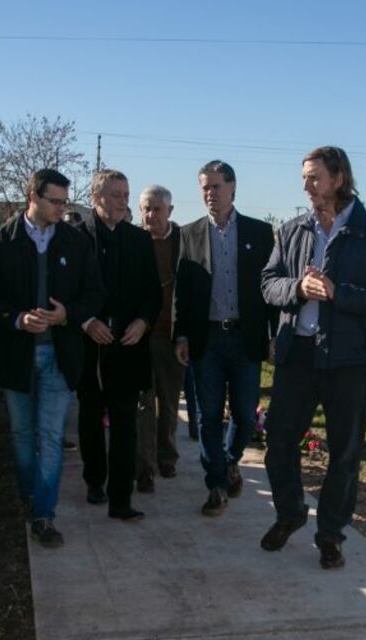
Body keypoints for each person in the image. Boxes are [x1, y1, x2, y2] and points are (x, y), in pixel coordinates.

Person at [260, 146, 366, 569]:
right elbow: (268, 283)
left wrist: (340, 294)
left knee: (343, 453)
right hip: (297, 355)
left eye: (314, 177)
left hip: (348, 360)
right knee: (279, 444)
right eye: (304, 178)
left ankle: (330, 535)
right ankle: (289, 515)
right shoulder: (292, 231)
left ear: (339, 178)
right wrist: (297, 290)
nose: (306, 186)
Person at [0, 168, 106, 547]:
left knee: (49, 436)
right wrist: (15, 318)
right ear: (33, 196)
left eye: (65, 201)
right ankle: (29, 494)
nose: (62, 208)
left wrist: (69, 315)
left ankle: (44, 514)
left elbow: (95, 294)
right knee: (22, 434)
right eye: (55, 201)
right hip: (16, 355)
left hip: (59, 356)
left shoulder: (76, 244)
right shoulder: (2, 241)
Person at [173, 160, 276, 517]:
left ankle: (232, 460)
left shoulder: (259, 233)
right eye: (204, 187)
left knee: (245, 414)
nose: (209, 194)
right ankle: (216, 483)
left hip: (245, 339)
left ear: (232, 188)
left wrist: (274, 335)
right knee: (208, 416)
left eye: (215, 186)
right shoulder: (189, 234)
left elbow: (270, 289)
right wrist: (181, 334)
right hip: (208, 340)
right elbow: (182, 292)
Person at [76, 169, 161, 521]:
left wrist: (143, 322)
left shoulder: (139, 241)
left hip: (128, 345)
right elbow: (67, 290)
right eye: (115, 195)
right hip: (90, 347)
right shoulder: (77, 238)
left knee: (126, 421)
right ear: (96, 198)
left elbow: (153, 292)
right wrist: (87, 321)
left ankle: (121, 498)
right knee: (91, 417)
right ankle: (95, 479)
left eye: (126, 194)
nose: (123, 201)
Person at [134, 185, 184, 493]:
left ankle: (168, 456)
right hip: (139, 337)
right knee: (143, 404)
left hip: (172, 337)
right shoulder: (133, 242)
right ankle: (145, 467)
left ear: (169, 211)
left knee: (168, 402)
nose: (151, 215)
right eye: (146, 209)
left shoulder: (184, 242)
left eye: (157, 209)